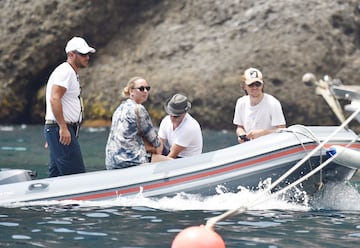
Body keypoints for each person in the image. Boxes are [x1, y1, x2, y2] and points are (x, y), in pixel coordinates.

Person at [44, 36, 96, 177]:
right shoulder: (66, 71)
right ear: (71, 54)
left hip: (58, 129)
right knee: (75, 176)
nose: (87, 58)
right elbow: (55, 98)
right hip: (61, 129)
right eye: (83, 54)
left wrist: (53, 134)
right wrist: (62, 128)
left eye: (88, 54)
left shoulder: (69, 72)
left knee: (56, 175)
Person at [105, 77, 167, 169]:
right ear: (131, 91)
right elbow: (154, 140)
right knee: (171, 161)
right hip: (132, 161)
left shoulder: (119, 109)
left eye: (147, 88)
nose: (145, 91)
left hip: (112, 162)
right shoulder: (139, 109)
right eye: (141, 89)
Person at [233, 67, 286, 143]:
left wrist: (263, 133)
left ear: (262, 85)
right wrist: (241, 135)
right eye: (251, 84)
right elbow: (240, 127)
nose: (255, 87)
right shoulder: (241, 102)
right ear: (244, 86)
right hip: (250, 147)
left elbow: (283, 131)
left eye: (257, 84)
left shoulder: (273, 103)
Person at [158, 93, 203, 158]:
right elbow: (159, 143)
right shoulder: (166, 120)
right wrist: (156, 155)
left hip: (186, 159)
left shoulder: (190, 127)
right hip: (173, 153)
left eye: (176, 116)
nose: (172, 118)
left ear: (185, 113)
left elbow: (172, 155)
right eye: (171, 114)